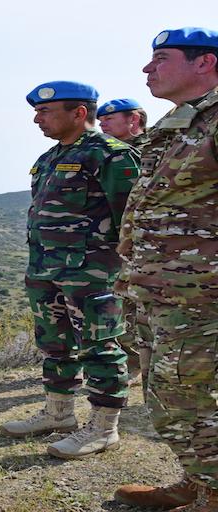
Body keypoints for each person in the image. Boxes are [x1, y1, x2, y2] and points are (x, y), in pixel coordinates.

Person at [0, 81, 140, 459]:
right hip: (45, 267)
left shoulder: (111, 155)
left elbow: (131, 219)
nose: (37, 119)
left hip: (91, 271)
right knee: (54, 343)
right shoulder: (49, 158)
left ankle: (103, 428)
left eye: (45, 111)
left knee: (100, 346)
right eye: (37, 112)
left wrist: (125, 270)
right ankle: (59, 413)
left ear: (79, 113)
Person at [113, 27, 218, 511]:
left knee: (197, 393)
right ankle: (200, 480)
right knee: (170, 394)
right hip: (160, 291)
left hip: (203, 295)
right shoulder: (179, 122)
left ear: (205, 62)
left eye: (161, 58)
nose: (147, 68)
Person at [97, 98, 154, 392]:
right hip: (113, 241)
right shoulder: (103, 154)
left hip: (150, 242)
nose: (102, 124)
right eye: (100, 120)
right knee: (118, 303)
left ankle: (144, 365)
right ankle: (130, 362)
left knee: (142, 303)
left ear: (133, 119)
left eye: (109, 119)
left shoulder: (157, 146)